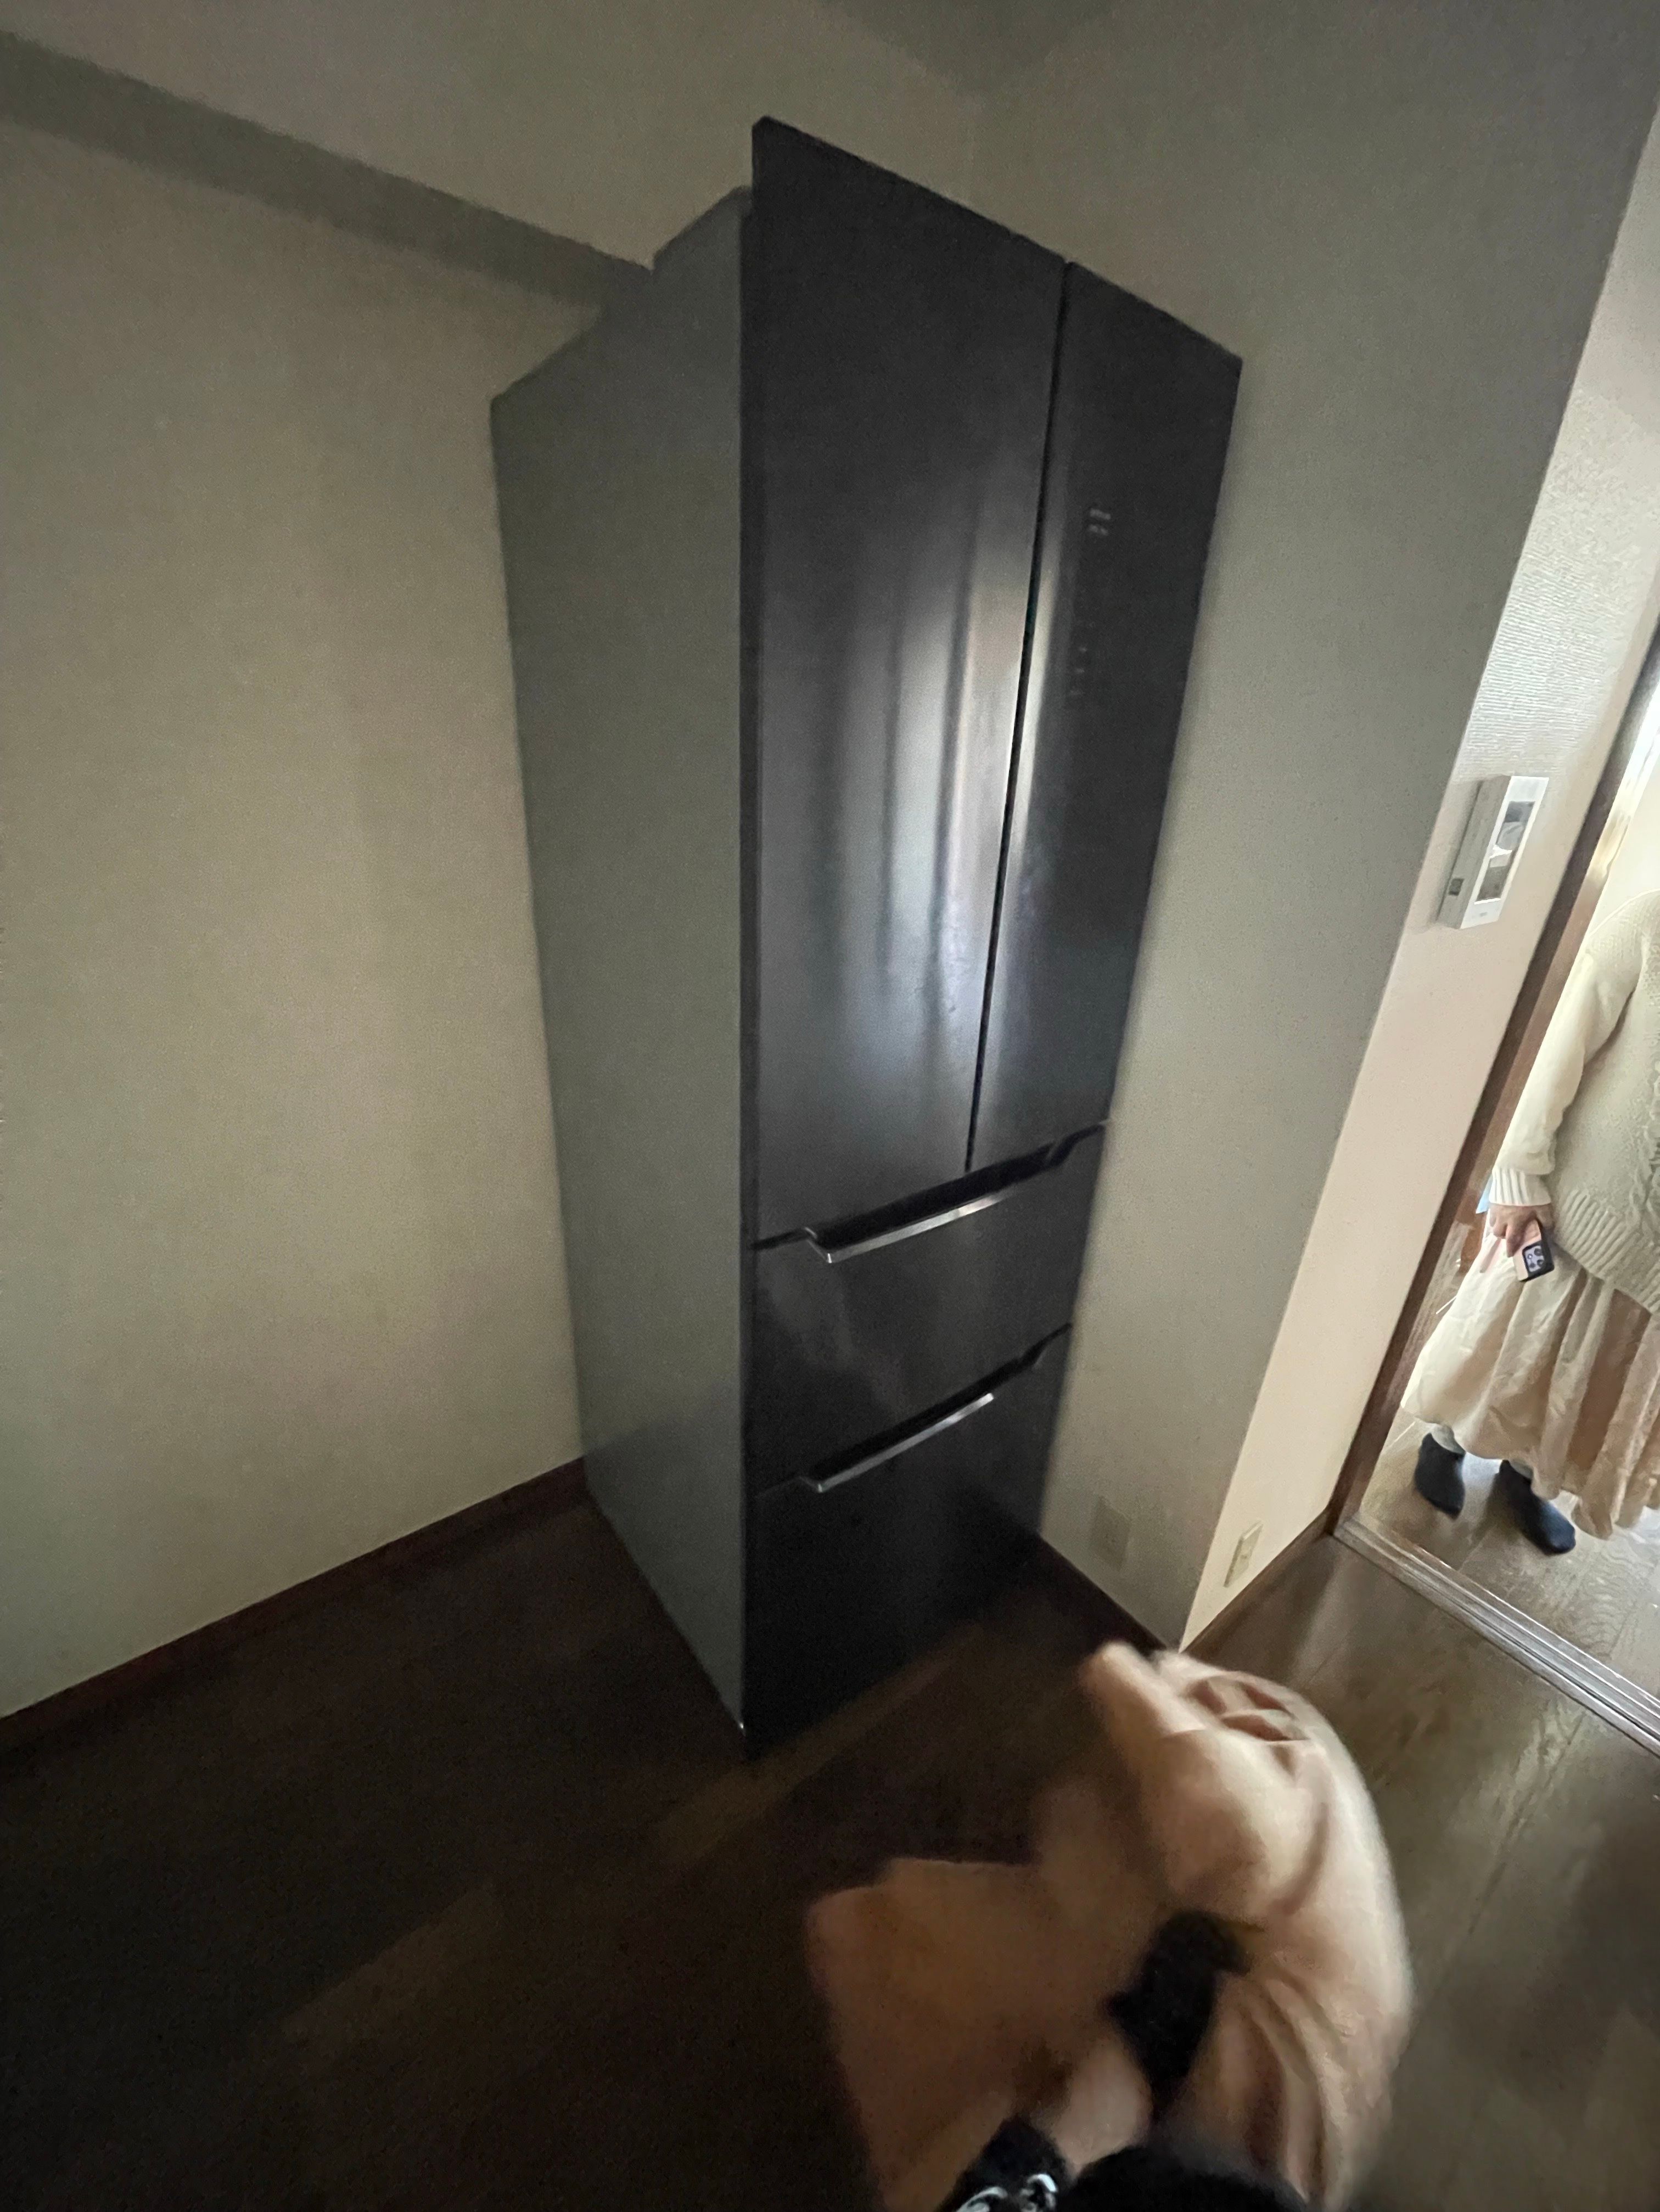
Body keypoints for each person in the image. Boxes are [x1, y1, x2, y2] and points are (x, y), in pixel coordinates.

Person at [1406, 889, 1660, 1552]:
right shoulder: (1649, 921)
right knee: (1506, 1347)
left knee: (1589, 1383)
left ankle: (1528, 1476)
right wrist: (1519, 1173)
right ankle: (1446, 1440)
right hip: (1577, 1215)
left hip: (1653, 1272)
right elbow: (1561, 1050)